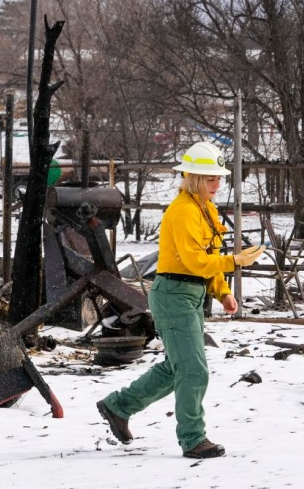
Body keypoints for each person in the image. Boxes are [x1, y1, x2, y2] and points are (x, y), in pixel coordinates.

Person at [97, 141, 265, 459]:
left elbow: (207, 257)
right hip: (174, 295)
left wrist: (223, 292)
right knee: (194, 370)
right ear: (194, 178)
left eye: (218, 178)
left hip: (189, 295)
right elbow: (193, 262)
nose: (217, 184)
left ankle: (117, 406)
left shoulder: (204, 209)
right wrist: (236, 262)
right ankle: (193, 439)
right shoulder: (184, 211)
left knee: (176, 369)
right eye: (210, 178)